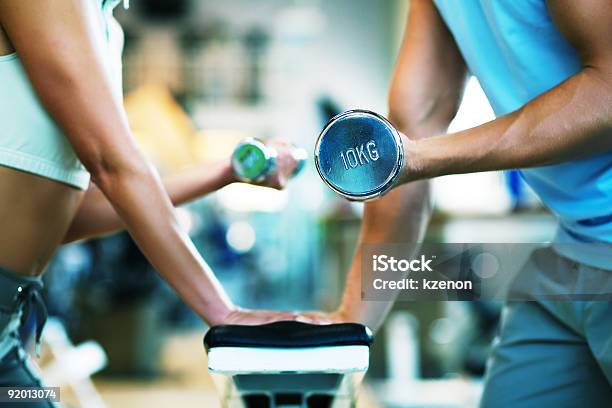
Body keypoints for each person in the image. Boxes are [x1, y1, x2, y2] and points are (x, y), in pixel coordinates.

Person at [307, 0, 612, 406]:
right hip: (575, 243)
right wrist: (346, 330)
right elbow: (410, 127)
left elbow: (608, 88)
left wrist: (419, 158)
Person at [0, 0, 305, 401]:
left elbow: (64, 213)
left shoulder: (106, 26)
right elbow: (112, 164)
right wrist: (223, 313)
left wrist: (228, 171)